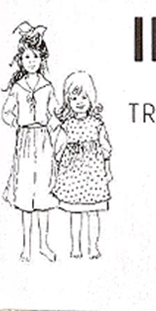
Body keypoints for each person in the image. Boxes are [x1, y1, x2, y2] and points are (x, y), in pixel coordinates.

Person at [1, 22, 58, 261]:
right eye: (27, 57)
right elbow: (6, 112)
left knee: (43, 193)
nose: (31, 61)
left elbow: (55, 112)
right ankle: (26, 246)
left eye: (35, 57)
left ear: (41, 59)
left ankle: (44, 244)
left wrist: (56, 123)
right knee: (25, 195)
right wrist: (16, 122)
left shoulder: (47, 86)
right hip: (25, 141)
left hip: (44, 140)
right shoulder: (18, 87)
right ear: (21, 60)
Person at [51, 70, 113, 258]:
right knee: (75, 213)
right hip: (72, 175)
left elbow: (106, 148)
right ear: (68, 101)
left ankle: (93, 247)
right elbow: (58, 149)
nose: (79, 102)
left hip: (93, 175)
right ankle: (76, 247)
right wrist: (56, 171)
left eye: (84, 97)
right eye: (74, 98)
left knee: (93, 212)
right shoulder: (67, 125)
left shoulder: (97, 124)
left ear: (91, 99)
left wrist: (108, 170)